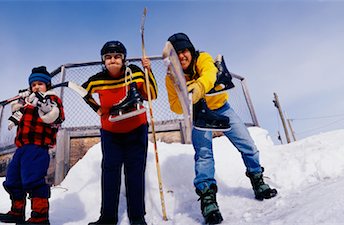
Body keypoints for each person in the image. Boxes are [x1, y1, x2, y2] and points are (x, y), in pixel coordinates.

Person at [165, 33, 277, 224]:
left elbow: (210, 74)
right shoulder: (172, 77)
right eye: (177, 54)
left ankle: (258, 181)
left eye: (184, 51)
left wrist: (197, 87)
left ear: (191, 51)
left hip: (222, 109)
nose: (182, 56)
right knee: (204, 154)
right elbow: (175, 105)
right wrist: (186, 96)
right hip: (199, 114)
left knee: (247, 144)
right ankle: (208, 199)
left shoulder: (203, 58)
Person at [82, 41, 158, 225]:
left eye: (117, 56)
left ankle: (137, 217)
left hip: (136, 130)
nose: (112, 60)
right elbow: (83, 92)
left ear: (123, 58)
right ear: (103, 60)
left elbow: (152, 95)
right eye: (108, 57)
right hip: (111, 133)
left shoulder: (135, 72)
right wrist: (97, 109)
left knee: (135, 172)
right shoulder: (97, 79)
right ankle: (107, 217)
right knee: (110, 173)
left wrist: (149, 71)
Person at [0, 66, 65, 225]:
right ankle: (17, 211)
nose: (36, 87)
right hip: (21, 147)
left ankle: (40, 216)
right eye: (33, 84)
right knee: (13, 180)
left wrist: (43, 104)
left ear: (47, 85)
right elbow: (18, 115)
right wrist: (19, 105)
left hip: (38, 146)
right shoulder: (28, 102)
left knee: (33, 180)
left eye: (40, 84)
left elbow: (58, 118)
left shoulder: (51, 98)